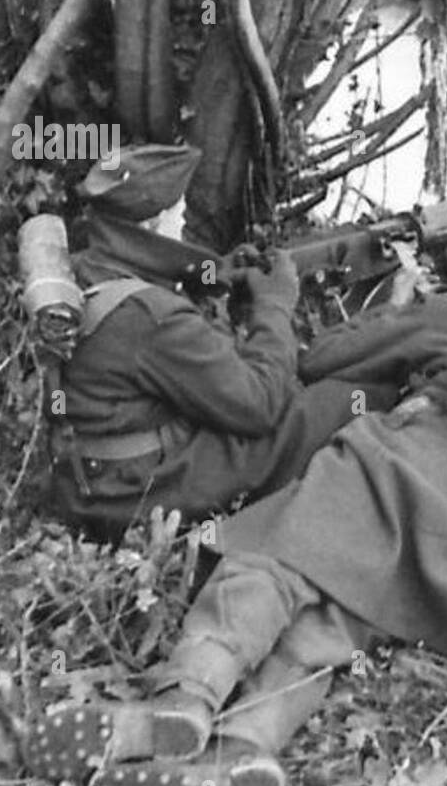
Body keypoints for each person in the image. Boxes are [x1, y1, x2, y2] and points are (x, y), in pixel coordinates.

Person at [28, 248, 447, 786]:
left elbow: (318, 360)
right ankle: (243, 748)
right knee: (330, 629)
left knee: (270, 560)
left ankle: (185, 698)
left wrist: (397, 309)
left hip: (404, 470)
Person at [48, 143, 395, 538]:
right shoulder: (154, 318)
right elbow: (259, 405)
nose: (182, 222)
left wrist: (219, 274)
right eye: (178, 212)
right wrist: (274, 305)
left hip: (87, 480)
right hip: (131, 494)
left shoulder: (87, 268)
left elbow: (148, 288)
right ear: (152, 224)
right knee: (327, 404)